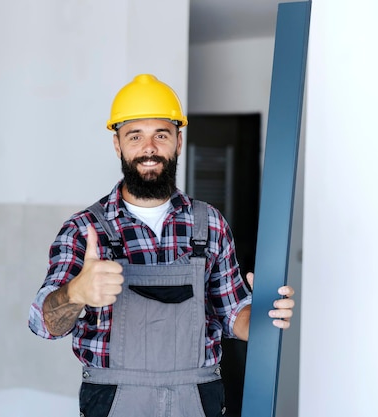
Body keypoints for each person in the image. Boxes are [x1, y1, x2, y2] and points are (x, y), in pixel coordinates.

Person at [28, 74, 295, 417]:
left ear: (179, 141)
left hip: (196, 399)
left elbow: (233, 315)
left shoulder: (209, 223)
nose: (149, 148)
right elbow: (43, 323)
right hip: (115, 400)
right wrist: (75, 293)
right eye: (135, 136)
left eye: (161, 135)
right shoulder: (84, 230)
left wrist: (263, 315)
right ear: (117, 144)